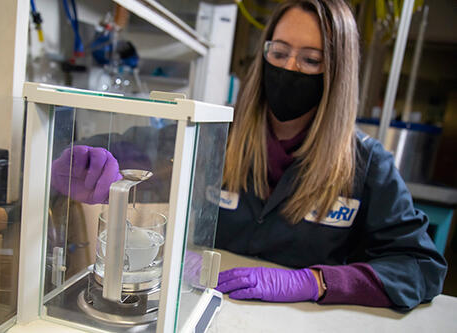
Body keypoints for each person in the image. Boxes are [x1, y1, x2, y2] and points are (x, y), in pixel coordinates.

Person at [51, 0, 446, 312]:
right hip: (205, 307)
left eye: (311, 60)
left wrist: (315, 283)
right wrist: (93, 161)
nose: (290, 68)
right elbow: (148, 147)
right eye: (279, 52)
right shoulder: (217, 132)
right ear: (264, 54)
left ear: (336, 73)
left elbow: (421, 267)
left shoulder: (366, 164)